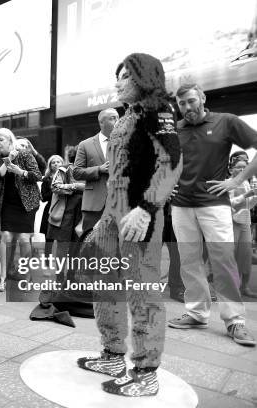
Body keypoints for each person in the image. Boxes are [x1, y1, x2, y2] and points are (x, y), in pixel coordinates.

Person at [76, 53, 182, 396]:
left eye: (124, 76)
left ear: (143, 78)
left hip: (140, 216)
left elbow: (172, 163)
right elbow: (118, 172)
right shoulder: (129, 115)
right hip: (113, 213)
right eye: (117, 76)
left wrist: (148, 207)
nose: (117, 82)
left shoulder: (158, 111)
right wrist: (106, 220)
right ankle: (112, 354)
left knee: (142, 290)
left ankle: (146, 371)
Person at [167, 82, 257, 347]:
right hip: (181, 205)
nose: (187, 108)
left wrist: (236, 180)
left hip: (214, 204)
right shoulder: (175, 129)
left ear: (203, 98)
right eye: (182, 104)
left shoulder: (226, 122)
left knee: (223, 261)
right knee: (189, 261)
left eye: (192, 101)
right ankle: (196, 313)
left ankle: (235, 321)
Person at [0, 128, 42, 292]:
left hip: (26, 203)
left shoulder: (25, 154)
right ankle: (3, 278)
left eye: (2, 139)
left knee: (24, 239)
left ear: (10, 140)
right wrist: (8, 161)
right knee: (6, 236)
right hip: (8, 203)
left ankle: (27, 277)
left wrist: (21, 171)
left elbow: (37, 175)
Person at [73, 108, 119, 232]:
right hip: (94, 205)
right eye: (112, 118)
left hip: (121, 203)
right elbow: (76, 172)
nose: (117, 121)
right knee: (92, 245)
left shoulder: (126, 143)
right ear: (101, 122)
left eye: (118, 117)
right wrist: (99, 169)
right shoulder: (85, 144)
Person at [228, 155, 257, 298]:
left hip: (245, 222)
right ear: (231, 169)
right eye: (238, 167)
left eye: (244, 167)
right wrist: (246, 195)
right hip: (231, 223)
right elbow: (228, 203)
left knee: (245, 256)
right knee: (231, 256)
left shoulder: (247, 183)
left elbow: (249, 205)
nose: (241, 169)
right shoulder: (228, 183)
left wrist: (255, 197)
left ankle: (244, 287)